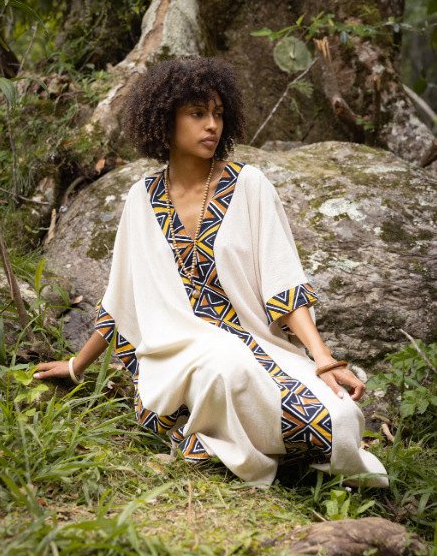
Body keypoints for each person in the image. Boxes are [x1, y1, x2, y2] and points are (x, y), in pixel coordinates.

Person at [35, 56, 387, 487]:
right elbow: (121, 300)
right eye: (197, 113)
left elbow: (284, 282)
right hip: (180, 353)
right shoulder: (142, 198)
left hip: (254, 345)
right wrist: (77, 366)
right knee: (223, 366)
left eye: (218, 114)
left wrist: (323, 359)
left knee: (342, 419)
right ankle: (232, 442)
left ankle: (215, 443)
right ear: (165, 120)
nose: (212, 125)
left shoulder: (249, 185)